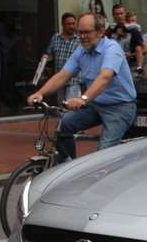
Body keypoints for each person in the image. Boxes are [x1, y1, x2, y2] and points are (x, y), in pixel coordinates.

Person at [26, 13, 137, 160]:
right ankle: (67, 168)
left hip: (120, 107)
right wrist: (40, 93)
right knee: (64, 125)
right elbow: (62, 76)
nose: (82, 36)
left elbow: (104, 78)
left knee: (103, 154)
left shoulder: (112, 49)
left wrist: (83, 98)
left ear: (100, 32)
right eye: (80, 32)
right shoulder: (81, 51)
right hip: (96, 104)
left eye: (87, 32)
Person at [44, 12, 83, 103]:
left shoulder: (79, 40)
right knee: (62, 106)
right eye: (68, 24)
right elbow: (49, 56)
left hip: (74, 79)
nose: (71, 26)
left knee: (71, 105)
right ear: (62, 24)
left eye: (73, 24)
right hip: (59, 78)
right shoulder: (55, 38)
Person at [106, 4, 144, 76]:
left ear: (124, 14)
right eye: (117, 14)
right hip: (116, 65)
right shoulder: (112, 30)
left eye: (121, 13)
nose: (119, 16)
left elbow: (144, 49)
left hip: (131, 65)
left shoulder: (133, 30)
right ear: (113, 15)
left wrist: (132, 55)